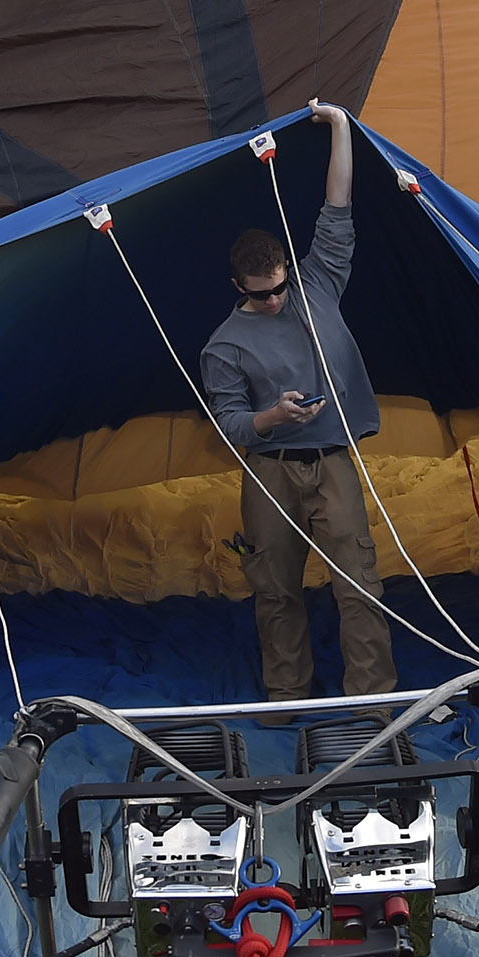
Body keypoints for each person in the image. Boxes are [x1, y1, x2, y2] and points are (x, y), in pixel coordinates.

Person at [198, 102, 394, 705]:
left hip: (333, 458)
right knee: (275, 590)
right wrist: (274, 417)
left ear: (289, 269)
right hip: (270, 470)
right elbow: (230, 424)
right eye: (264, 293)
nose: (278, 298)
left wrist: (339, 126)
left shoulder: (319, 282)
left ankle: (368, 703)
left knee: (358, 586)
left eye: (282, 284)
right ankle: (286, 701)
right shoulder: (224, 345)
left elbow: (338, 208)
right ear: (240, 288)